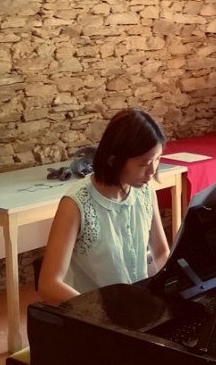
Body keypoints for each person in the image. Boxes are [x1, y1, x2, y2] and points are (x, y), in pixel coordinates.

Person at [38, 109, 171, 304]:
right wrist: (101, 313)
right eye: (144, 163)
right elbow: (49, 285)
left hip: (134, 306)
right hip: (92, 313)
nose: (152, 170)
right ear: (114, 161)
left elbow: (161, 253)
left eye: (157, 159)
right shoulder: (75, 204)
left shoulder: (144, 191)